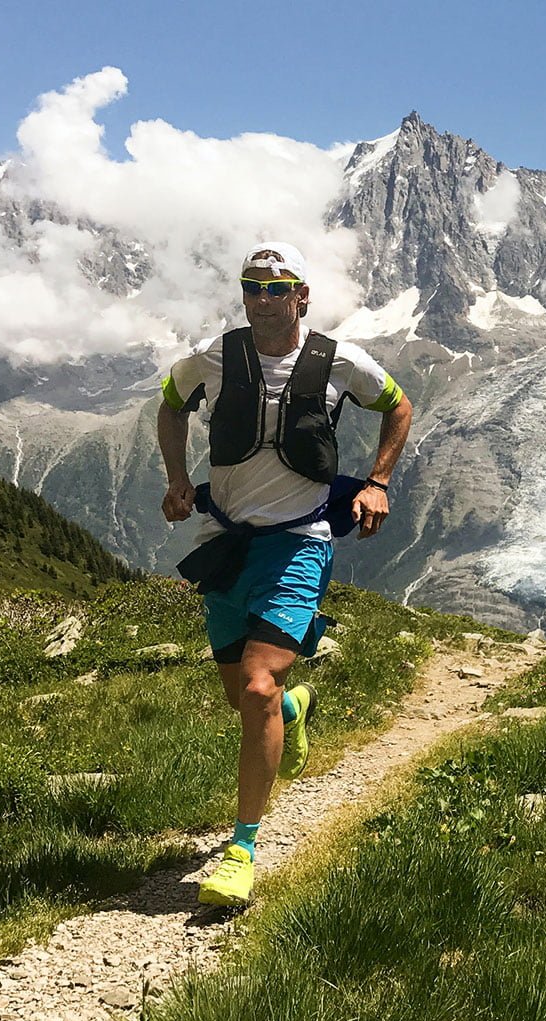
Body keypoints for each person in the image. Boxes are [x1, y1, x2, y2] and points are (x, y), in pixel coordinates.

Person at [157, 241, 412, 906]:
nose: (264, 299)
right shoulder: (214, 357)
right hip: (226, 540)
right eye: (253, 287)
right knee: (239, 698)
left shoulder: (339, 362)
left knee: (259, 685)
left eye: (278, 288)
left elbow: (398, 405)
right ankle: (295, 711)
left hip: (299, 541)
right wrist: (179, 479)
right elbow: (170, 402)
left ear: (303, 296)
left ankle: (241, 850)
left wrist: (378, 481)